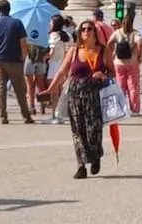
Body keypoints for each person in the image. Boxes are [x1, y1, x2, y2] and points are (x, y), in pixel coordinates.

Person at [44, 19, 115, 179]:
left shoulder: (103, 51)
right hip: (76, 93)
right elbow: (62, 71)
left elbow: (112, 71)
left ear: (95, 33)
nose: (86, 32)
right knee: (77, 130)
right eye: (83, 29)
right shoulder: (74, 50)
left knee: (94, 129)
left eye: (89, 29)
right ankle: (81, 165)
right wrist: (51, 87)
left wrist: (104, 75)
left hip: (94, 93)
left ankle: (95, 156)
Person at [0, 0, 35, 125]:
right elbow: (23, 43)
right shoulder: (17, 23)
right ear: (9, 9)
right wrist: (23, 58)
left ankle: (3, 116)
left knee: (1, 89)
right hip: (14, 60)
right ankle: (26, 116)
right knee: (20, 89)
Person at [108, 15, 142, 115]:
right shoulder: (135, 33)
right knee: (133, 87)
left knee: (120, 86)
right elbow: (140, 43)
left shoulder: (117, 32)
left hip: (119, 62)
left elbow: (109, 42)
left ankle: (121, 108)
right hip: (132, 62)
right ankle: (134, 109)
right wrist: (139, 56)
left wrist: (112, 53)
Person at [46, 14, 70, 124]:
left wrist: (44, 57)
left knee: (54, 92)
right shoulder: (67, 35)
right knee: (61, 92)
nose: (49, 24)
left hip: (54, 65)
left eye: (51, 22)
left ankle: (55, 115)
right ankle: (60, 114)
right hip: (64, 64)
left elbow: (52, 52)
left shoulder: (54, 35)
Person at [24, 37, 50, 116]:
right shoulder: (45, 32)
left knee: (30, 85)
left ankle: (32, 106)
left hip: (30, 57)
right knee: (40, 84)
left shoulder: (28, 32)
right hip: (41, 58)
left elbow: (24, 45)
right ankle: (42, 106)